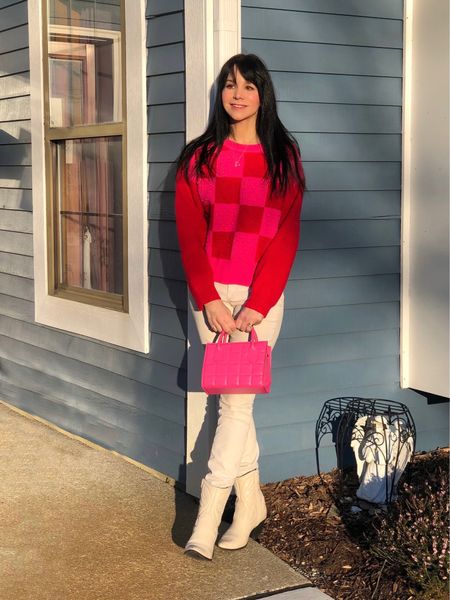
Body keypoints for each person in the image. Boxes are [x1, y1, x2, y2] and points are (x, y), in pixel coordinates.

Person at [175, 53, 305, 561]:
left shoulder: (283, 156)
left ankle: (207, 518)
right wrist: (208, 298)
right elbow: (189, 234)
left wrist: (258, 303)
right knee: (233, 407)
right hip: (211, 301)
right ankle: (250, 504)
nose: (237, 94)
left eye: (248, 86)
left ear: (262, 94)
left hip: (259, 304)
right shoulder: (199, 158)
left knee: (234, 406)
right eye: (230, 85)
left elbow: (287, 235)